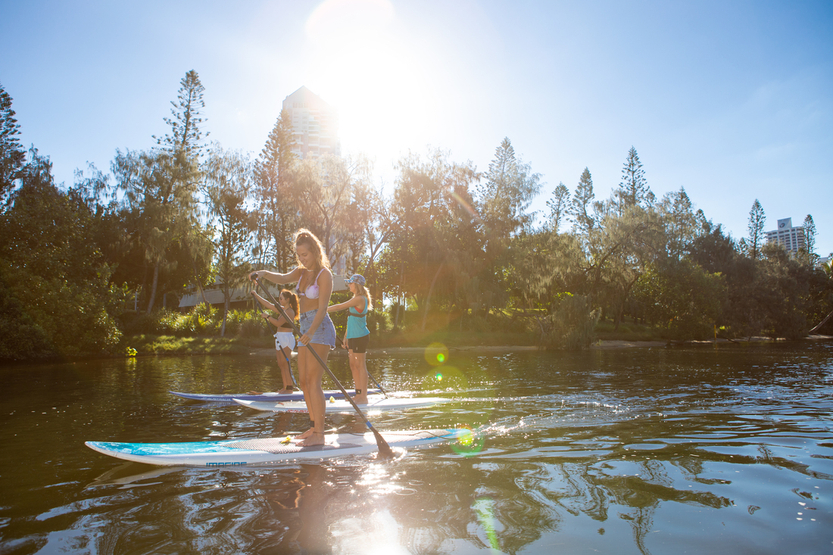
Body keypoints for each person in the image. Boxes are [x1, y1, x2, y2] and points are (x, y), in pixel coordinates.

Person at [250, 229, 336, 446]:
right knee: (305, 382)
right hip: (304, 329)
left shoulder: (324, 275)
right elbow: (281, 277)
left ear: (315, 252)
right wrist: (262, 273)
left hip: (320, 328)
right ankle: (312, 425)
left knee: (314, 381)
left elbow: (323, 308)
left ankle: (320, 434)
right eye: (299, 255)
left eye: (305, 255)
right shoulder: (300, 272)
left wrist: (309, 332)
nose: (302, 259)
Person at [327, 274, 372, 404]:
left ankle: (364, 397)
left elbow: (339, 307)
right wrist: (346, 336)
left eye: (350, 283)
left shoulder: (360, 298)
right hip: (352, 336)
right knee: (353, 365)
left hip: (360, 336)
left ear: (356, 285)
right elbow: (351, 319)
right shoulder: (355, 298)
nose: (349, 285)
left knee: (360, 365)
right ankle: (358, 394)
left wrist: (322, 310)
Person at [251, 288, 299, 395]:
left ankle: (290, 389)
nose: (279, 300)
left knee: (285, 364)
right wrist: (256, 295)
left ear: (287, 299)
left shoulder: (290, 312)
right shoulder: (282, 310)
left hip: (286, 338)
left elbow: (278, 323)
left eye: (281, 298)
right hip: (279, 337)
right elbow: (268, 304)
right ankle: (285, 387)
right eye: (279, 298)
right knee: (281, 364)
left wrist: (268, 316)